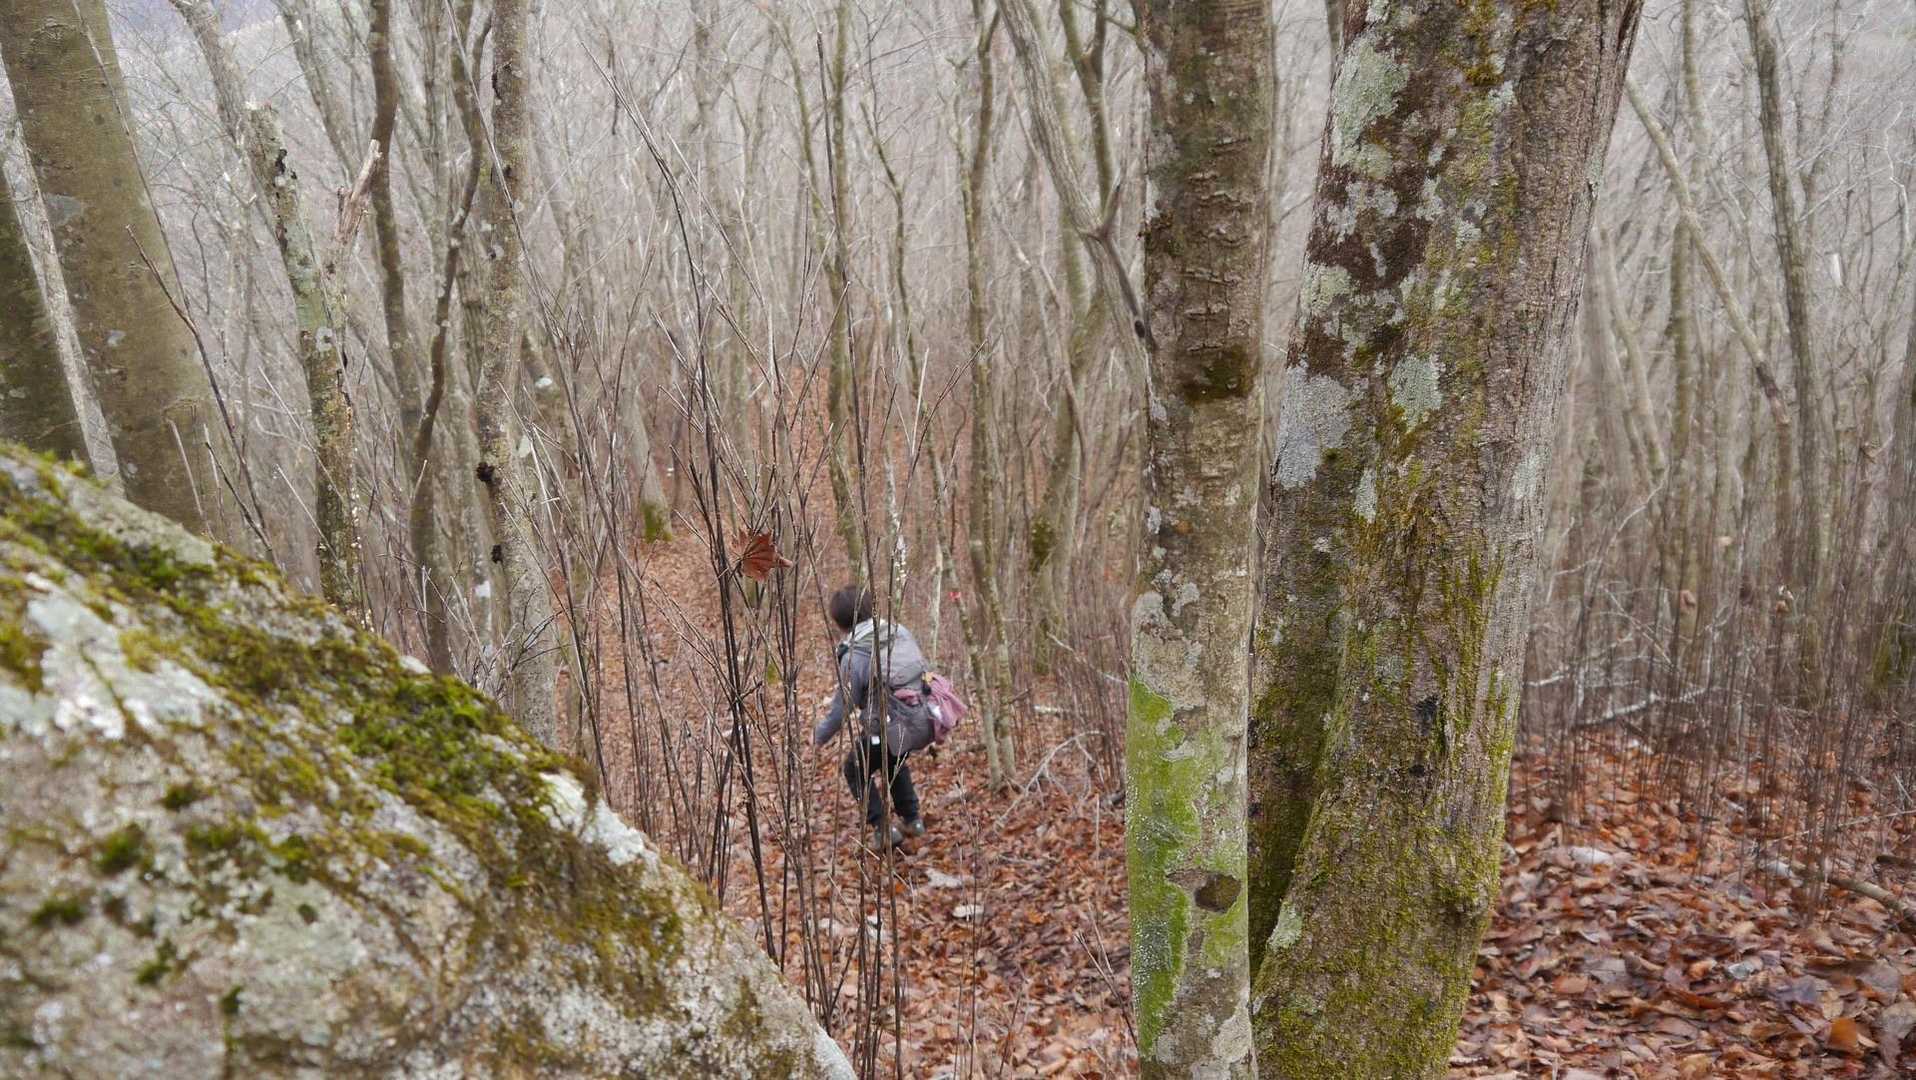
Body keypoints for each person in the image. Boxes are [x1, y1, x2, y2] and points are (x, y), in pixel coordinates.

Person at [814, 585, 936, 851]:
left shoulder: (854, 654)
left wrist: (818, 737)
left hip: (884, 727)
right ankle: (913, 821)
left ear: (840, 621)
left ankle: (883, 829)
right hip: (917, 719)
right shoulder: (899, 632)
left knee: (855, 769)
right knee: (894, 761)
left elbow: (842, 708)